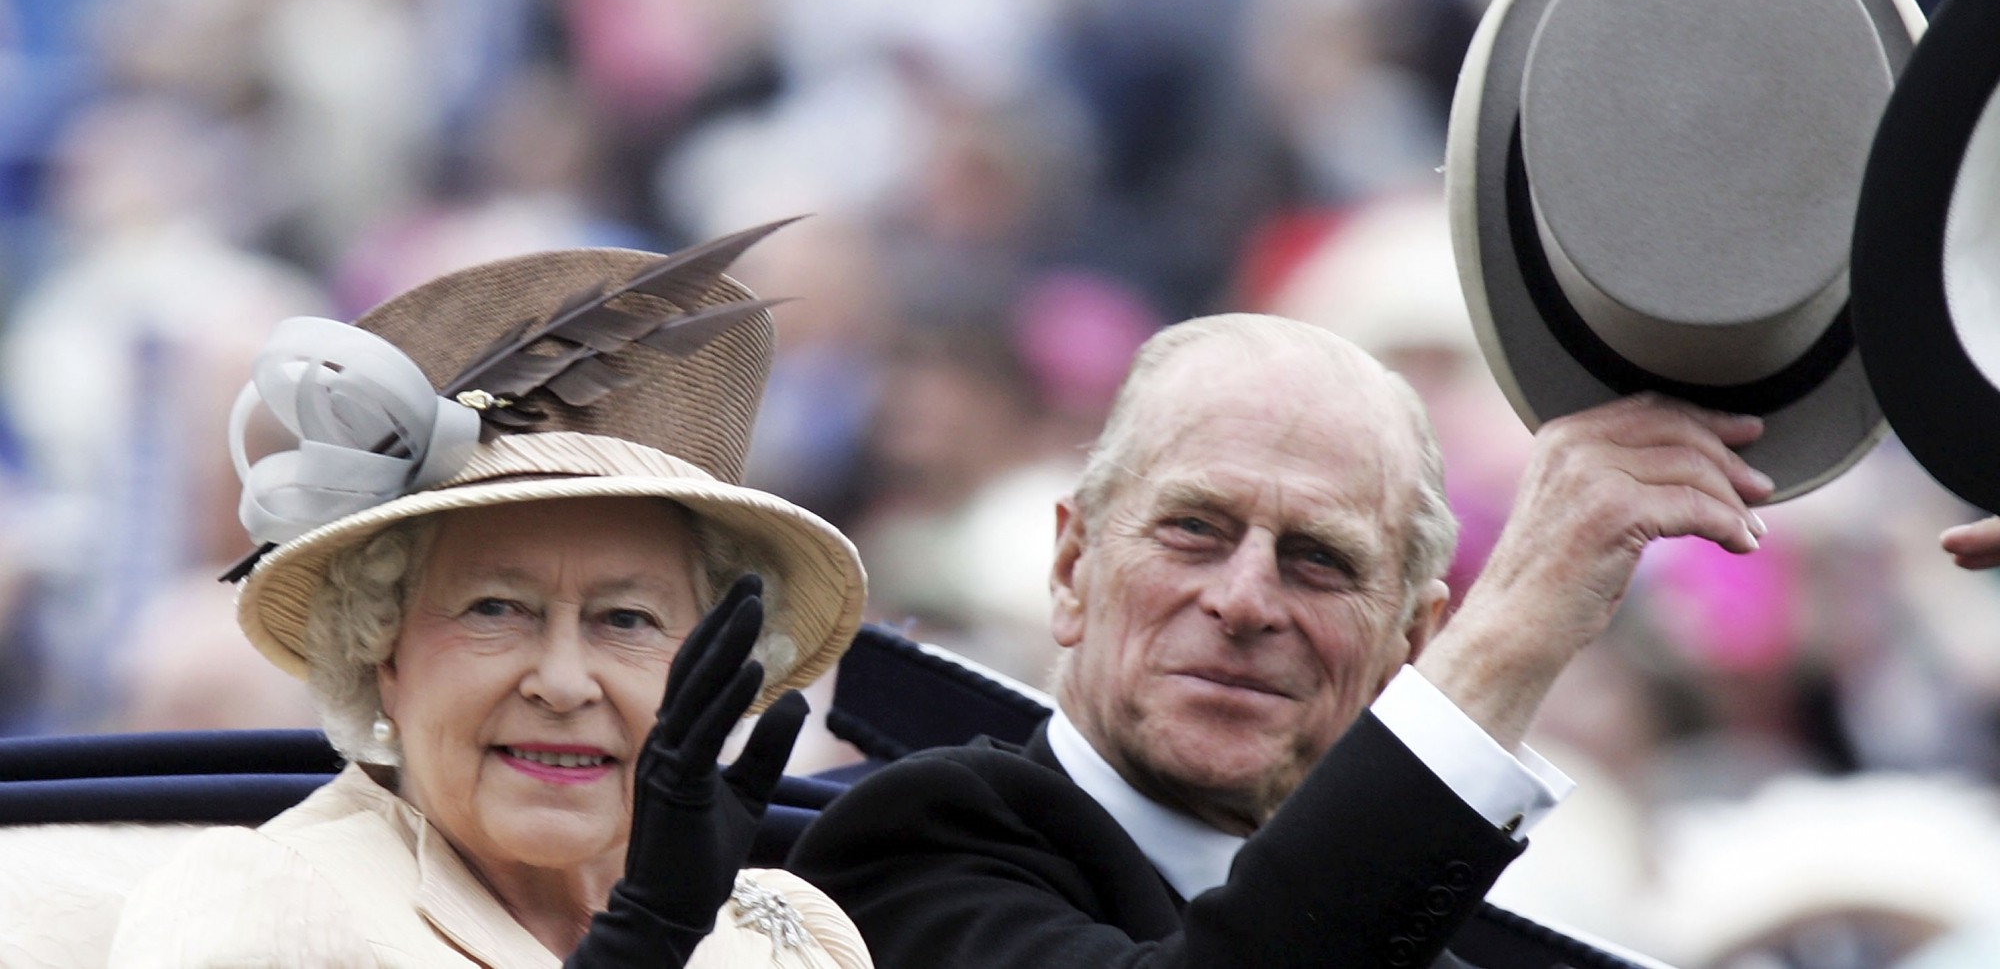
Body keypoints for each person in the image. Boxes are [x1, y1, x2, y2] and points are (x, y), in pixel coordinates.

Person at [790, 312, 1769, 968]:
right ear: (1071, 567)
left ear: (1408, 642)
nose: (1245, 599)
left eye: (1318, 559)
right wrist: (1513, 629)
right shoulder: (902, 842)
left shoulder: (1425, 941)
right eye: (1193, 530)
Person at [111, 224, 874, 967]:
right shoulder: (264, 900)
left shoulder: (789, 934)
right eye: (497, 609)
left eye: (626, 618)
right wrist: (644, 940)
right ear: (381, 647)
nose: (565, 681)